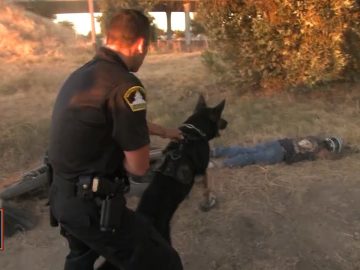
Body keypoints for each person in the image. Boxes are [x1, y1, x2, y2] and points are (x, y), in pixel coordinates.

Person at [48, 9, 183, 270]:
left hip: (62, 197)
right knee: (164, 261)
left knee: (81, 257)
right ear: (141, 44)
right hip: (92, 208)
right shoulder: (126, 86)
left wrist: (164, 132)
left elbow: (108, 121)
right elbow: (139, 167)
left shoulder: (84, 74)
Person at [210, 136, 344, 168]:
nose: (326, 157)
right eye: (329, 154)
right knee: (251, 157)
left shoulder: (313, 137)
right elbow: (293, 160)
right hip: (280, 153)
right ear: (328, 149)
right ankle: (220, 164)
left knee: (248, 149)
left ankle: (216, 152)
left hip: (278, 143)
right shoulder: (316, 152)